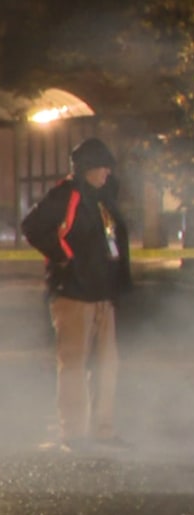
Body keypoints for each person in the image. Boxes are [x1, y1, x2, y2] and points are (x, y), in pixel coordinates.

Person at [21, 137, 132, 452]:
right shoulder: (65, 194)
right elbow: (32, 226)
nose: (108, 173)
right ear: (87, 169)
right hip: (72, 294)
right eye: (102, 167)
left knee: (107, 365)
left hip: (102, 294)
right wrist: (64, 257)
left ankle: (103, 431)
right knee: (74, 365)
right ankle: (74, 434)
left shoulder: (102, 198)